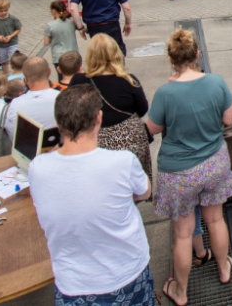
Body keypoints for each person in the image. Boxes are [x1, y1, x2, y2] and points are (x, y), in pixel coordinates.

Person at [29, 86, 155, 305]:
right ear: (99, 118)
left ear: (58, 124)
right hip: (126, 275)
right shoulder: (123, 162)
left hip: (73, 285)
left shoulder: (37, 168)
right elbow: (144, 191)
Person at [145, 29, 232, 306]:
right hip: (213, 164)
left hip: (179, 173)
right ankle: (223, 267)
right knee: (215, 220)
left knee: (183, 234)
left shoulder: (165, 92)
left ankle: (180, 291)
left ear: (171, 59)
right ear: (197, 54)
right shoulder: (216, 82)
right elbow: (229, 120)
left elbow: (152, 128)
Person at [69, 34, 152, 180]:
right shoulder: (129, 80)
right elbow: (143, 109)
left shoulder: (79, 80)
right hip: (128, 141)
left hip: (93, 141)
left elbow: (70, 109)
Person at [3, 57, 60, 140]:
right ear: (50, 71)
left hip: (27, 151)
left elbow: (13, 136)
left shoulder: (14, 105)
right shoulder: (62, 98)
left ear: (25, 78)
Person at [44, 0, 79, 72]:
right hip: (74, 55)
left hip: (59, 57)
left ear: (53, 11)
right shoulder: (72, 21)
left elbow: (46, 43)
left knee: (62, 78)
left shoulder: (50, 25)